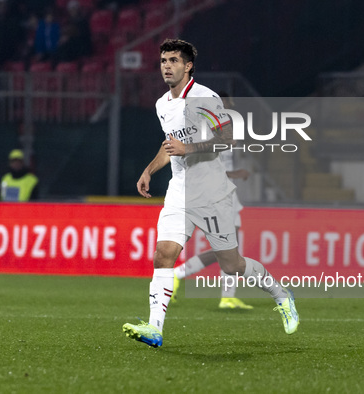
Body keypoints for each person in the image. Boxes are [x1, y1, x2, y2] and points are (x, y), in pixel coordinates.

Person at [122, 39, 298, 348]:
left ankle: (281, 295)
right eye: (163, 60)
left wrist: (187, 148)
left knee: (231, 265)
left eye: (174, 60)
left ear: (188, 66)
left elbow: (226, 138)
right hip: (179, 190)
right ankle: (154, 328)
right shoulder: (162, 104)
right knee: (163, 255)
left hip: (212, 192)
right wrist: (150, 170)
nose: (166, 65)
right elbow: (170, 147)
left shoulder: (206, 97)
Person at [171, 91, 253, 310]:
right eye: (227, 103)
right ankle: (179, 274)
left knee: (228, 248)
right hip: (216, 192)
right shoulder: (206, 131)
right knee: (227, 248)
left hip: (225, 193)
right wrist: (236, 174)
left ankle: (227, 296)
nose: (231, 106)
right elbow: (206, 167)